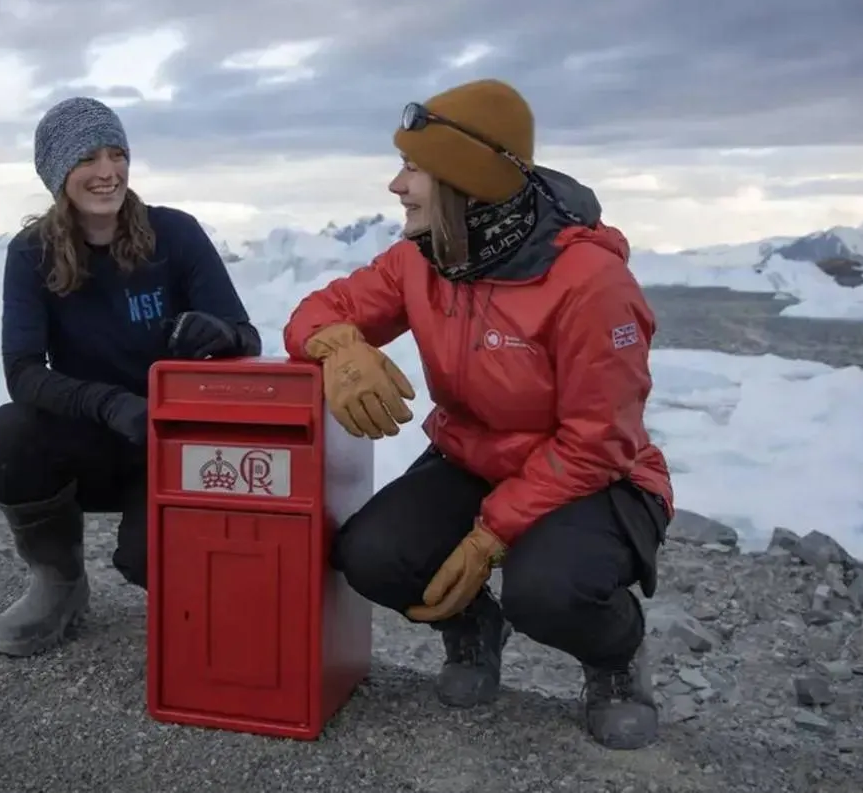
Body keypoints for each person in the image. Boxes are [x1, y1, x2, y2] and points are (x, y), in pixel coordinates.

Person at [281, 78, 675, 751]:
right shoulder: (425, 258)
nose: (395, 186)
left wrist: (489, 534)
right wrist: (336, 346)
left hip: (595, 476)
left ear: (464, 180)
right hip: (473, 456)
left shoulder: (589, 282)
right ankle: (473, 627)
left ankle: (616, 659)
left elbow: (597, 440)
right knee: (370, 555)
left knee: (546, 590)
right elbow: (316, 312)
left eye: (412, 169)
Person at [0, 96, 262, 658]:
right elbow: (23, 373)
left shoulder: (175, 235)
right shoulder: (31, 255)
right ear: (58, 174)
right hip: (97, 441)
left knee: (145, 560)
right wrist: (108, 405)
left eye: (116, 154)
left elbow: (247, 336)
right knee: (5, 436)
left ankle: (223, 612)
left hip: (177, 446)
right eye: (88, 159)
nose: (108, 172)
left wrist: (218, 334)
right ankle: (60, 584)